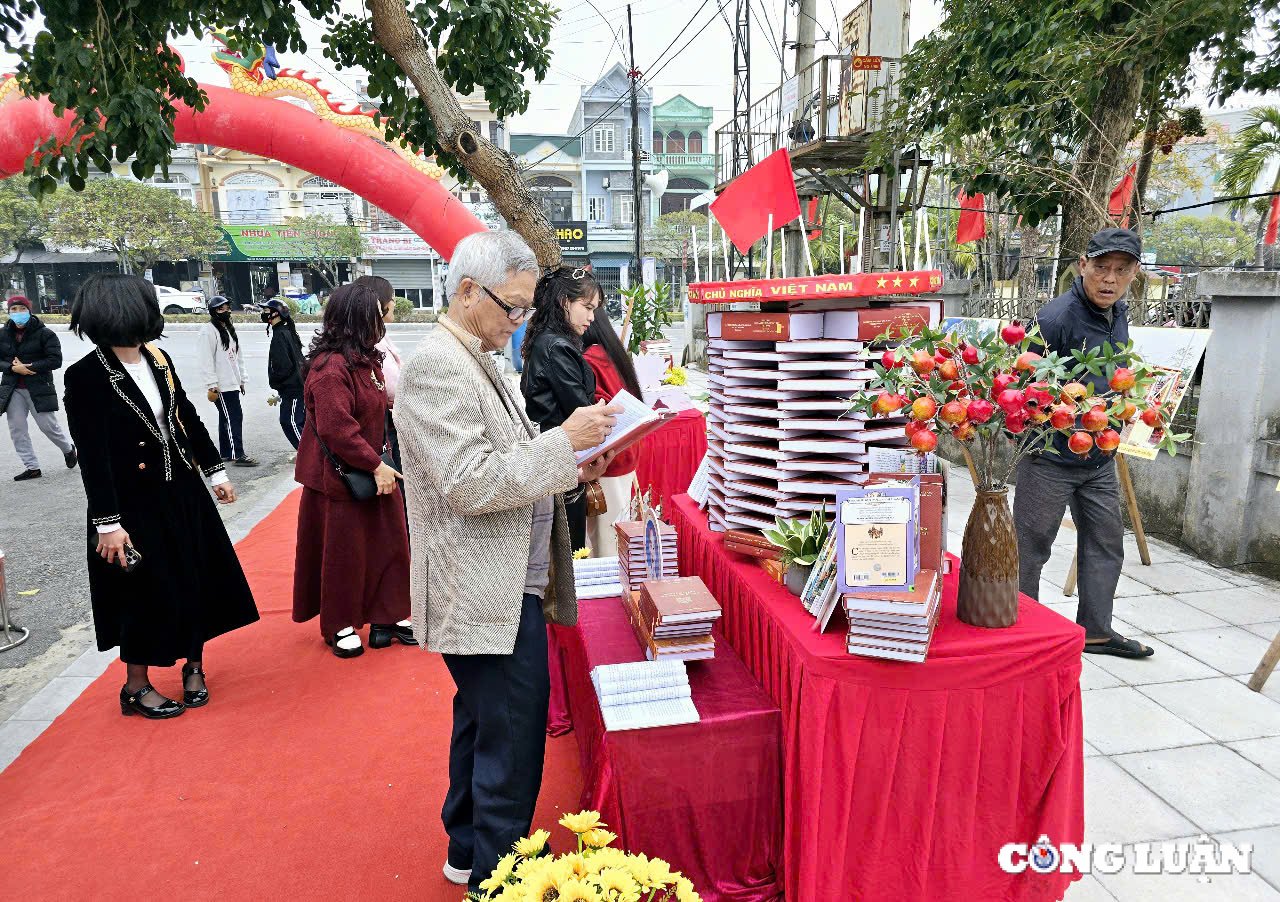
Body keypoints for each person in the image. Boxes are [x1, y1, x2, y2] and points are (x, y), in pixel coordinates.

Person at [395, 231, 619, 895]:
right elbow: (469, 482)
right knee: (512, 743)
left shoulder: (476, 353)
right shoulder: (440, 364)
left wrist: (575, 462)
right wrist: (561, 445)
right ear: (468, 292)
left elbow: (511, 462)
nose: (519, 321)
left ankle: (466, 850)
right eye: (512, 307)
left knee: (482, 723)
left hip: (501, 583)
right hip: (480, 589)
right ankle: (497, 880)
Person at [62, 275, 259, 719]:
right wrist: (107, 524)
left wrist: (215, 471)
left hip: (182, 490)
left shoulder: (158, 358)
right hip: (132, 506)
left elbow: (184, 417)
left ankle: (194, 666)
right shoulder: (87, 375)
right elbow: (93, 458)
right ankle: (136, 686)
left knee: (194, 577)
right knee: (142, 593)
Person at [1016, 227, 1153, 659]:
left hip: (1099, 459)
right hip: (1050, 459)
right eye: (1101, 269)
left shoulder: (1118, 314)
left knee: (1106, 542)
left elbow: (1113, 377)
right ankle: (1023, 636)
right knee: (1030, 548)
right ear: (1083, 267)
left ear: (1134, 273)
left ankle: (1095, 631)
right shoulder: (1055, 318)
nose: (1109, 279)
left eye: (1121, 270)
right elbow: (1022, 389)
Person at [292, 282, 412, 658]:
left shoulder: (367, 357)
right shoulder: (331, 367)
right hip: (339, 478)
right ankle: (340, 622)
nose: (392, 315)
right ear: (367, 315)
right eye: (387, 309)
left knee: (389, 543)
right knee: (343, 553)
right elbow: (336, 427)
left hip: (372, 465)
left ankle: (387, 617)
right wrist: (375, 464)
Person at [520, 267, 604, 551]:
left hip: (555, 457)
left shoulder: (546, 340)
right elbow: (582, 409)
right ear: (564, 302)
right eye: (587, 307)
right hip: (562, 460)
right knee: (568, 552)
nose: (592, 317)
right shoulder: (557, 346)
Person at [582, 305, 644, 554]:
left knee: (606, 543)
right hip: (624, 454)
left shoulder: (588, 358)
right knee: (617, 531)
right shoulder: (610, 352)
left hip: (606, 460)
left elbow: (597, 407)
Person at [1, 295, 77, 481]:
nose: (18, 313)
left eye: (22, 309)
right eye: (14, 310)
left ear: (29, 310)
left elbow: (55, 360)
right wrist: (12, 368)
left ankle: (68, 449)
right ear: (9, 312)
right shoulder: (3, 334)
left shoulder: (45, 333)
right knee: (17, 429)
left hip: (38, 387)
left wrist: (29, 367)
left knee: (48, 426)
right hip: (13, 388)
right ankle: (32, 467)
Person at [352, 275, 405, 477]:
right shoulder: (372, 340)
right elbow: (392, 386)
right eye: (391, 297)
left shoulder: (378, 334)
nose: (394, 302)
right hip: (384, 426)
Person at [197, 297, 258, 467]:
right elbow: (205, 359)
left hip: (232, 382)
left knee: (227, 417)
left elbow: (238, 357)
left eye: (227, 308)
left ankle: (226, 452)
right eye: (220, 309)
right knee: (233, 417)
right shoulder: (208, 331)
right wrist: (212, 384)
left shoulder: (229, 329)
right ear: (213, 312)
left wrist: (241, 379)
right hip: (221, 385)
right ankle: (238, 454)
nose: (226, 311)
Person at [263, 299, 306, 449]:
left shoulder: (280, 335)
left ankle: (310, 456)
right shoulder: (286, 332)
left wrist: (276, 381)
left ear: (276, 314)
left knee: (290, 422)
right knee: (300, 423)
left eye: (267, 311)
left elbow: (284, 367)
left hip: (293, 389)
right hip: (296, 387)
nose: (264, 314)